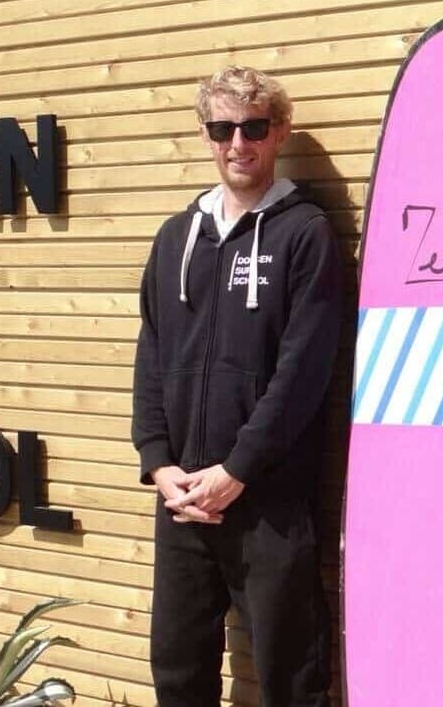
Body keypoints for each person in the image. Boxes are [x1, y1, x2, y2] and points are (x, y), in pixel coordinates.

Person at [131, 66, 341, 707]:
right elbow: (151, 355)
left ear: (279, 131)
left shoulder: (306, 235)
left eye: (253, 128)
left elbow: (302, 374)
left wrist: (239, 469)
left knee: (291, 680)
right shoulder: (176, 239)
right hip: (182, 504)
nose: (237, 144)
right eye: (223, 129)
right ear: (206, 134)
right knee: (178, 674)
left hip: (269, 504)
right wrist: (158, 462)